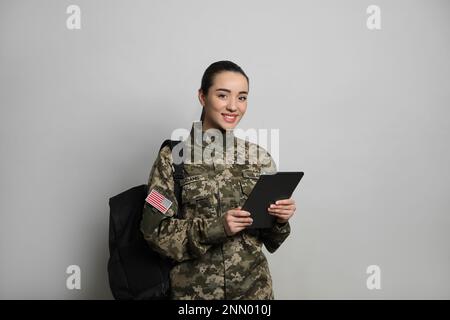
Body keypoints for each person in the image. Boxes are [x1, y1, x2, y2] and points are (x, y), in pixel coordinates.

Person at [140, 60, 297, 299]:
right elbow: (155, 232)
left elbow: (273, 240)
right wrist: (218, 227)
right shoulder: (173, 158)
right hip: (194, 297)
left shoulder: (258, 158)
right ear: (202, 97)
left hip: (254, 294)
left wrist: (280, 220)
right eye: (223, 95)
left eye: (242, 97)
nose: (233, 106)